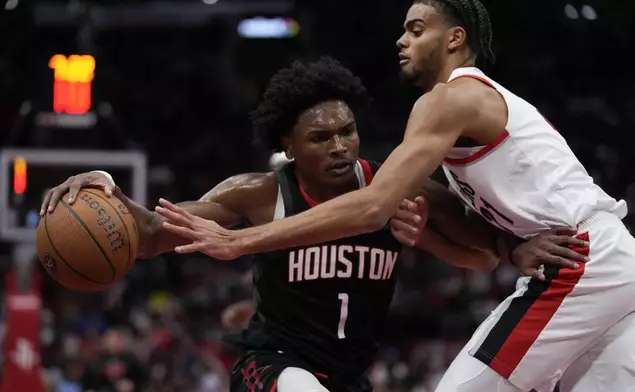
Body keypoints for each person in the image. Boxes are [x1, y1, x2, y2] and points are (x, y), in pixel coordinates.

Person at [155, 2, 635, 392]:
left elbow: (372, 207)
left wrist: (244, 242)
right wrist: (512, 246)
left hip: (581, 258)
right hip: (619, 261)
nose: (401, 39)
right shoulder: (474, 105)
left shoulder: (448, 98)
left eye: (415, 29)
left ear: (455, 38)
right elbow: (475, 247)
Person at [43, 58, 585, 392]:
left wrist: (515, 250)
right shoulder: (256, 194)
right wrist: (107, 187)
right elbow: (156, 235)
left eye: (347, 131)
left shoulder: (395, 184)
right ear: (288, 146)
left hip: (350, 374)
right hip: (274, 366)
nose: (340, 146)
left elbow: (478, 242)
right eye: (321, 138)